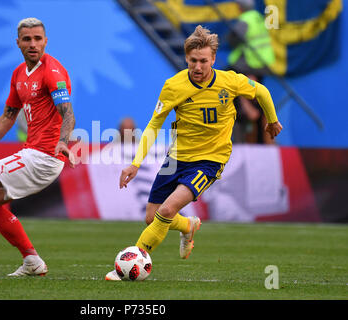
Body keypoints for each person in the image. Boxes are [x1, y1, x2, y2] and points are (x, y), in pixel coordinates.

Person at [105, 25, 282, 280]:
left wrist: (272, 120)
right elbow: (154, 125)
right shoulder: (174, 86)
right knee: (151, 216)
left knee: (166, 212)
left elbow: (262, 91)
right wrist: (135, 163)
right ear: (186, 58)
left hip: (210, 160)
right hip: (176, 158)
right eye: (192, 61)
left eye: (203, 61)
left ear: (213, 60)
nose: (198, 67)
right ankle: (188, 225)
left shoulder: (229, 81)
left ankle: (129, 266)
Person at [0, 17, 75, 277]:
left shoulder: (53, 72)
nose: (33, 44)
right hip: (32, 153)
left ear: (46, 41)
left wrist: (63, 141)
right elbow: (8, 117)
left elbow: (68, 112)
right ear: (17, 42)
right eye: (27, 39)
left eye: (38, 39)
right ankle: (32, 260)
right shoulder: (19, 74)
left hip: (44, 156)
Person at [227, 0, 276, 144]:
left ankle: (247, 113)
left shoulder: (245, 20)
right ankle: (256, 131)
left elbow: (233, 40)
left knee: (228, 84)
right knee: (257, 100)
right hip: (262, 65)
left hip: (248, 65)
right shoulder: (258, 18)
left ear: (240, 7)